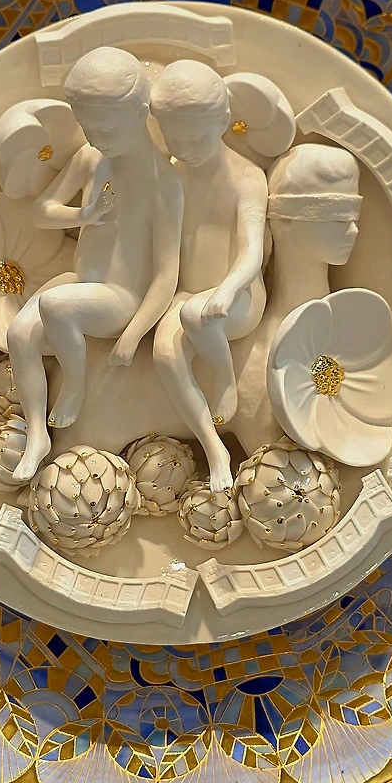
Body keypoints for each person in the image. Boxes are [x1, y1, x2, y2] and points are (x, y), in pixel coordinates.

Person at [7, 47, 182, 483]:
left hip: (121, 298)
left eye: (107, 128)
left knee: (57, 305)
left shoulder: (163, 182)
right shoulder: (91, 159)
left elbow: (167, 273)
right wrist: (83, 215)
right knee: (19, 334)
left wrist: (133, 333)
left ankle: (75, 387)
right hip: (81, 281)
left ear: (140, 112)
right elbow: (41, 211)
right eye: (88, 127)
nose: (97, 137)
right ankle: (37, 434)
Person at [150, 60, 269, 491]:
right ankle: (214, 447)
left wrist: (230, 288)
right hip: (186, 295)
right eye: (173, 138)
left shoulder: (247, 177)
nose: (184, 148)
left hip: (238, 297)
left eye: (195, 137)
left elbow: (252, 250)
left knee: (197, 316)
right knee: (166, 354)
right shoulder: (172, 173)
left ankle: (225, 379)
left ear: (221, 121)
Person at [233, 143, 363, 456]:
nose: (354, 230)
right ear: (284, 221)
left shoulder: (359, 340)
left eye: (354, 216)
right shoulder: (254, 358)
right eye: (336, 218)